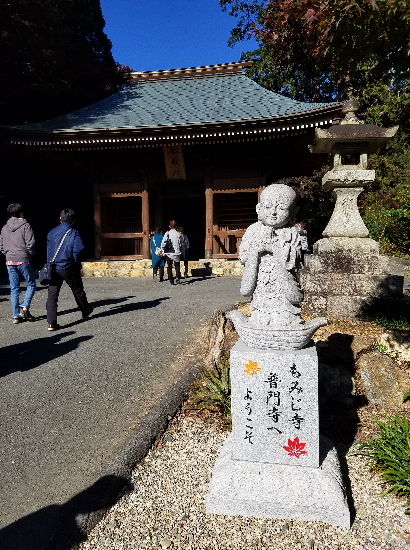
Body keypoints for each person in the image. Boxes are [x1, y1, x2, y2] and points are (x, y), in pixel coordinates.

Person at [46, 208, 93, 331]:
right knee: (77, 289)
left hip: (54, 266)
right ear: (73, 220)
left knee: (52, 295)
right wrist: (76, 261)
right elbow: (78, 249)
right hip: (68, 266)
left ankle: (51, 322)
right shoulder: (73, 233)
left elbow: (49, 250)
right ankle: (85, 309)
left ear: (60, 219)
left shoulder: (51, 233)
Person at [0, 203, 36, 324]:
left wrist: (8, 253)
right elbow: (30, 243)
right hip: (23, 259)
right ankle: (25, 307)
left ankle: (15, 316)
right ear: (20, 212)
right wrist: (29, 255)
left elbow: (1, 246)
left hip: (9, 260)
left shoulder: (4, 227)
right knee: (31, 284)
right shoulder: (25, 225)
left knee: (14, 288)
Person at [161, 220, 183, 285]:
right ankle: (177, 277)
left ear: (169, 226)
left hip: (169, 253)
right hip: (177, 252)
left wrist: (162, 249)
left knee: (169, 266)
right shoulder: (179, 234)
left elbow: (163, 242)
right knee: (177, 266)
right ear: (176, 226)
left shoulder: (167, 233)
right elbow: (181, 244)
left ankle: (171, 280)